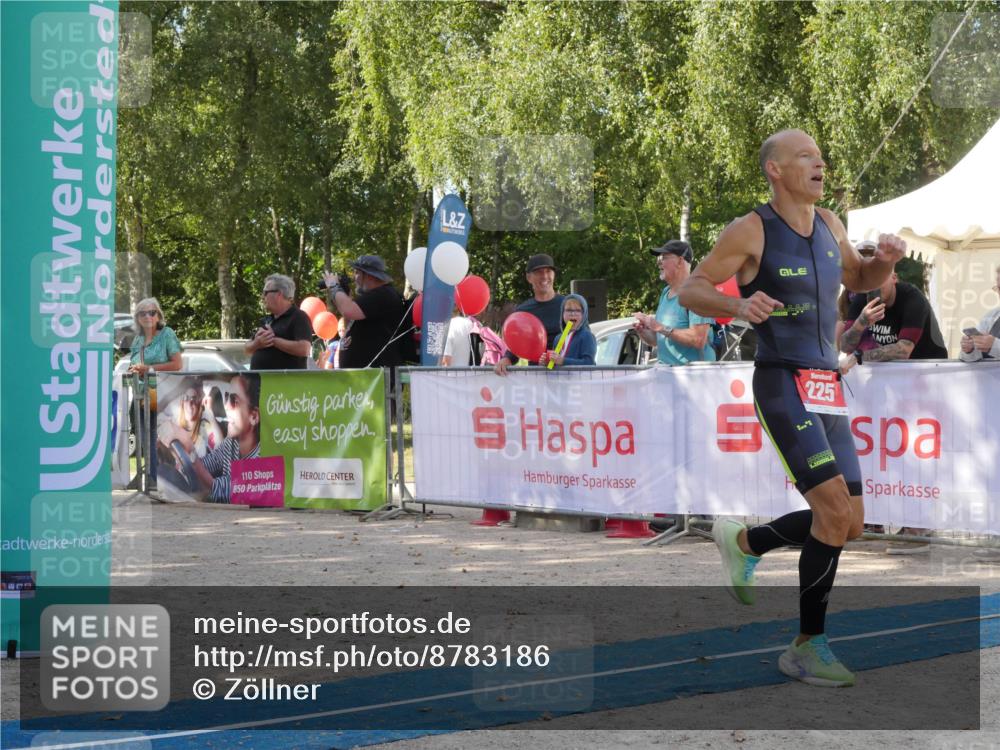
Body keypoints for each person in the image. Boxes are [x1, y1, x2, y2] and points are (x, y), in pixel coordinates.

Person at [678, 128, 906, 688]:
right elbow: (691, 289)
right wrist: (736, 304)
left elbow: (861, 279)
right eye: (806, 156)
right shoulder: (751, 229)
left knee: (850, 523)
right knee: (831, 512)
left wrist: (885, 263)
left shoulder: (830, 222)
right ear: (775, 170)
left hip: (826, 384)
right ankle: (807, 646)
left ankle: (745, 543)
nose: (819, 163)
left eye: (820, 156)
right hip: (782, 381)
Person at [128, 297, 183, 489]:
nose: (148, 316)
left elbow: (177, 364)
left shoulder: (167, 334)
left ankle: (156, 479)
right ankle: (146, 476)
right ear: (137, 318)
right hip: (140, 395)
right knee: (144, 437)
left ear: (158, 316)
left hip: (161, 394)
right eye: (142, 313)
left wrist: (149, 369)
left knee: (154, 437)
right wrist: (133, 369)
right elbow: (134, 362)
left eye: (152, 312)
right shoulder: (137, 340)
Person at [634, 240, 717, 365]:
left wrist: (660, 327)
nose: (659, 262)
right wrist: (643, 331)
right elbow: (658, 340)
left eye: (664, 257)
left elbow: (698, 339)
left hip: (692, 375)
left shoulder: (698, 292)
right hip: (666, 372)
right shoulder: (665, 292)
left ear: (680, 261)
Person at [839, 268, 947, 363]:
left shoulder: (912, 298)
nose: (874, 287)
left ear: (894, 278)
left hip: (929, 365)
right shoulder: (862, 297)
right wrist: (860, 323)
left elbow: (903, 351)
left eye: (879, 280)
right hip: (892, 368)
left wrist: (858, 357)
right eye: (869, 281)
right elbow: (845, 347)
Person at [324, 255, 407, 370]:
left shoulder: (382, 295)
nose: (354, 277)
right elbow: (348, 316)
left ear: (369, 276)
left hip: (377, 374)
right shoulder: (379, 295)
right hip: (369, 374)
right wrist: (342, 292)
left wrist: (334, 286)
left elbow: (348, 310)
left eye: (357, 273)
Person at [193, 373, 261, 503]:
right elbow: (207, 464)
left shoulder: (262, 457)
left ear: (253, 417)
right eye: (226, 397)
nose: (226, 406)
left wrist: (188, 451)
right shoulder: (231, 443)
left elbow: (218, 489)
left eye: (234, 401)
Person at [494, 254, 565, 375]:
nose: (544, 276)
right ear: (529, 277)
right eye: (539, 272)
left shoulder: (568, 306)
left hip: (568, 376)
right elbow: (516, 345)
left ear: (554, 275)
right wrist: (506, 359)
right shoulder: (522, 312)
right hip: (536, 377)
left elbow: (583, 338)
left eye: (548, 271)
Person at [246, 274, 313, 370]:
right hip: (258, 379)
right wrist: (257, 343)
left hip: (285, 379)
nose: (262, 297)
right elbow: (247, 349)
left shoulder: (299, 317)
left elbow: (304, 349)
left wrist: (273, 340)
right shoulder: (267, 320)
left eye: (265, 292)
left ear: (279, 294)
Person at [538, 293, 596, 367]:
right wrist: (547, 363)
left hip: (578, 375)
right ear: (562, 313)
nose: (573, 314)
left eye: (578, 310)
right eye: (568, 310)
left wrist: (563, 361)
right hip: (560, 375)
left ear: (584, 314)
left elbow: (589, 363)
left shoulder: (586, 336)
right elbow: (555, 365)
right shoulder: (558, 338)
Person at [960, 265, 1000, 362]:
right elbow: (968, 359)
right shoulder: (992, 316)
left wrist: (994, 346)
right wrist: (969, 350)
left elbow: (994, 346)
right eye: (999, 288)